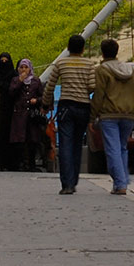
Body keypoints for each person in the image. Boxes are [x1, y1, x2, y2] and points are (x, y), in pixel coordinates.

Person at [40, 34, 97, 194]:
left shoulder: (61, 63)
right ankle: (74, 180)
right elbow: (92, 86)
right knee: (77, 143)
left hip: (66, 106)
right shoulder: (89, 64)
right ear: (83, 48)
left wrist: (45, 104)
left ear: (68, 47)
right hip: (83, 107)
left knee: (65, 143)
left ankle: (66, 184)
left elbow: (50, 86)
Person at [91, 39, 134, 195]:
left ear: (102, 52)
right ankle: (122, 179)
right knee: (122, 148)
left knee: (112, 149)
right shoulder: (129, 69)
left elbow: (99, 95)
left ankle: (120, 184)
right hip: (129, 114)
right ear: (117, 51)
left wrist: (92, 116)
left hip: (109, 114)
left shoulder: (102, 70)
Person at [6, 58, 45, 171]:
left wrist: (36, 101)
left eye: (26, 67)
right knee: (19, 139)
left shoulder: (36, 81)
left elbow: (43, 96)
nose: (23, 70)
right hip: (19, 114)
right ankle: (21, 164)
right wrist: (20, 81)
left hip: (32, 115)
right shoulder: (15, 80)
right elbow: (11, 93)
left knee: (32, 139)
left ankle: (31, 164)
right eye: (21, 67)